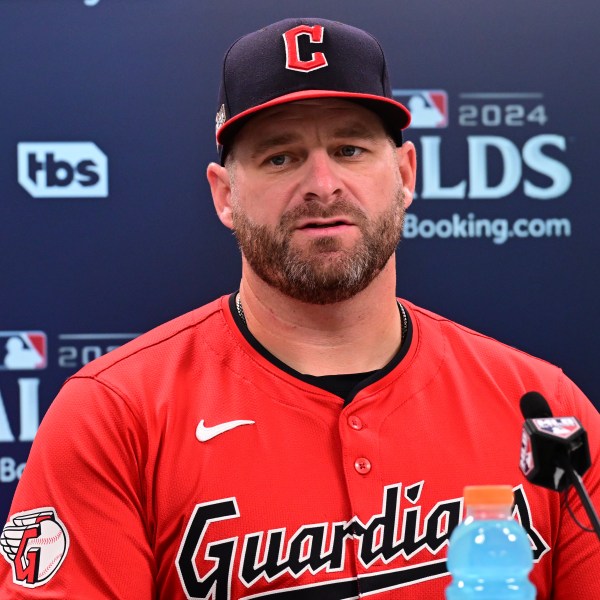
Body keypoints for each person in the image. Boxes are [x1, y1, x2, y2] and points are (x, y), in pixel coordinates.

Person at [1, 17, 599, 599]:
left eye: (350, 148)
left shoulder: (547, 412)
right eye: (279, 157)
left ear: (406, 174)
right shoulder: (115, 416)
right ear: (224, 194)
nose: (322, 183)